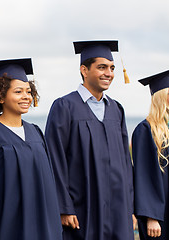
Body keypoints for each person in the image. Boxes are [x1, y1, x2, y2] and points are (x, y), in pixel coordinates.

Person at [0, 58, 63, 240]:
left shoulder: (36, 132)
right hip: (6, 227)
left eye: (29, 92)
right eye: (18, 91)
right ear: (0, 96)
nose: (26, 97)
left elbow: (48, 186)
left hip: (41, 228)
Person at [45, 40, 134, 240]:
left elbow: (126, 164)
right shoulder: (65, 107)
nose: (109, 73)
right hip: (82, 207)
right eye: (101, 67)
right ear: (84, 70)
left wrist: (130, 205)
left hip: (117, 209)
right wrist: (64, 207)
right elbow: (54, 159)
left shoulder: (116, 109)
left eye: (112, 68)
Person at [132, 68, 169, 239]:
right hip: (162, 214)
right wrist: (151, 217)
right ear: (160, 97)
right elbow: (144, 175)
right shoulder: (147, 130)